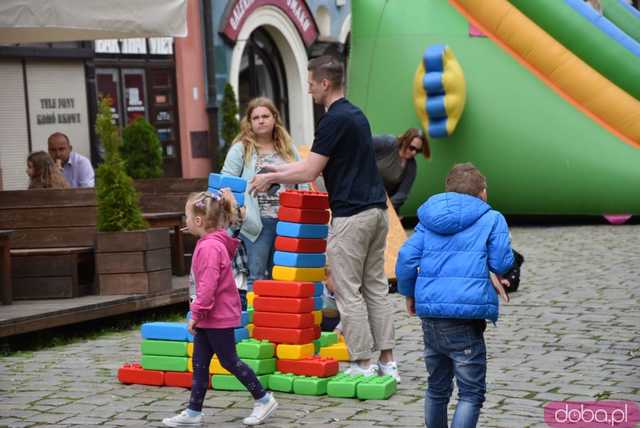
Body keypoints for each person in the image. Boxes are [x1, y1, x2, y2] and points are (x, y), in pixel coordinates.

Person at [249, 55, 400, 382]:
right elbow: (311, 164)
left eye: (311, 83)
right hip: (377, 212)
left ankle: (361, 363)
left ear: (325, 83)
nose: (308, 90)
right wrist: (275, 170)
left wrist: (271, 179)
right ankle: (388, 361)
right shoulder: (356, 115)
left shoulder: (332, 120)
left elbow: (309, 170)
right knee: (375, 287)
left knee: (347, 290)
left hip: (351, 216)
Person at [395, 162, 514, 428]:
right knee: (471, 393)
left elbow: (405, 258)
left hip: (432, 316)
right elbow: (501, 261)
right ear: (482, 192)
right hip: (465, 318)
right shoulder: (492, 218)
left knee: (437, 388)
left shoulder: (428, 220)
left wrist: (409, 292)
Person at [163, 189, 278, 427]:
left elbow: (207, 286)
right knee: (200, 364)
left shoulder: (209, 248)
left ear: (198, 221)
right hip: (209, 316)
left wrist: (196, 314)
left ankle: (263, 398)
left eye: (187, 217)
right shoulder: (211, 243)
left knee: (229, 361)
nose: (185, 221)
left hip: (217, 316)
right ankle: (194, 413)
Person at [221, 97, 306, 291]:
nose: (261, 120)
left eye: (265, 116)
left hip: (287, 222)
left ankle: (278, 319)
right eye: (256, 117)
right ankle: (255, 321)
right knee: (257, 276)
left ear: (274, 118)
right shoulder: (241, 149)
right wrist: (238, 210)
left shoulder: (287, 147)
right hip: (256, 223)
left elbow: (302, 178)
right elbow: (226, 183)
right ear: (249, 122)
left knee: (284, 275)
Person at [373, 128, 430, 213]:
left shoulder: (411, 167)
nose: (414, 153)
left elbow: (402, 194)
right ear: (404, 141)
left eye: (418, 150)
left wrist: (384, 208)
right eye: (412, 148)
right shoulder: (388, 143)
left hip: (384, 204)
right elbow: (364, 142)